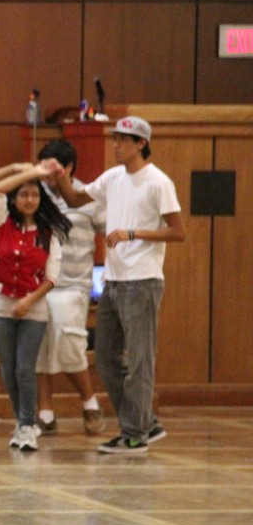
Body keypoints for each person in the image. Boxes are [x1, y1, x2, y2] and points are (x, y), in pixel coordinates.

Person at [52, 116, 184, 454]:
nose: (116, 145)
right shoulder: (112, 178)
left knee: (140, 359)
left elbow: (177, 231)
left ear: (141, 144)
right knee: (106, 358)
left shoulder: (158, 182)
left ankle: (135, 434)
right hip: (113, 280)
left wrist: (132, 233)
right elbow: (75, 199)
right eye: (115, 139)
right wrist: (60, 176)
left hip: (143, 281)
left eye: (124, 140)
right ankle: (145, 422)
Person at [0, 161, 71, 450]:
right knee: (8, 370)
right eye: (24, 194)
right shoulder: (0, 223)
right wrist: (33, 172)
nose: (30, 200)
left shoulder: (49, 233)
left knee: (25, 368)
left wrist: (29, 300)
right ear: (14, 199)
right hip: (0, 305)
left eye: (35, 194)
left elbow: (51, 277)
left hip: (33, 308)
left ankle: (27, 425)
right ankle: (22, 421)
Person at [32, 140, 107, 436]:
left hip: (73, 284)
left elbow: (112, 231)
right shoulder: (34, 195)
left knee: (68, 342)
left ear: (69, 167)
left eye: (52, 168)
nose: (47, 175)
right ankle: (45, 413)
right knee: (40, 344)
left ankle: (90, 403)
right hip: (38, 284)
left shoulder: (88, 196)